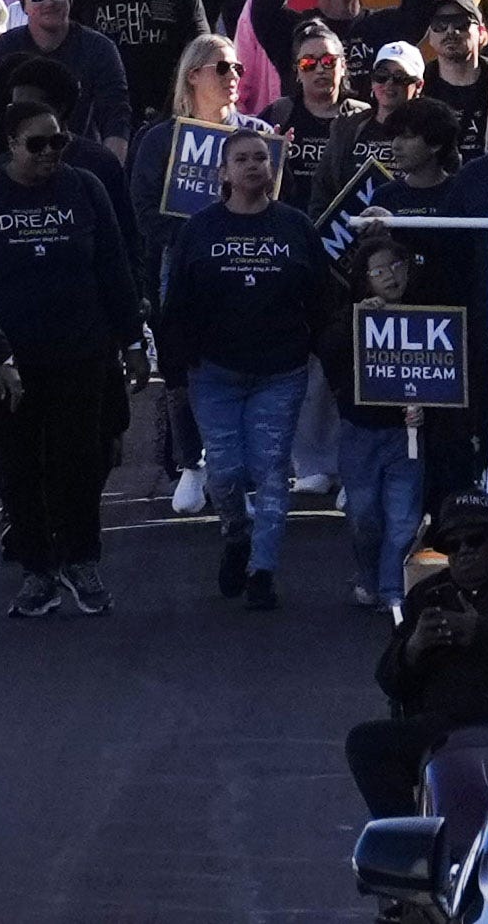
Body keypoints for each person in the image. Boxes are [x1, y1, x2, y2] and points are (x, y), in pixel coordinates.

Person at [0, 92, 143, 617]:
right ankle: (37, 570)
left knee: (80, 462)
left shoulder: (85, 187)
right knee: (18, 466)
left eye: (59, 140)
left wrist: (134, 342)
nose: (51, 151)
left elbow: (114, 269)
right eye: (37, 144)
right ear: (10, 145)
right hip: (8, 361)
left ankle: (82, 561)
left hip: (81, 353)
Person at [156, 126, 333, 614]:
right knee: (227, 471)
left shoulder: (295, 227)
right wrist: (174, 369)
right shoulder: (199, 229)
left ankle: (262, 571)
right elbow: (176, 306)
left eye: (262, 158)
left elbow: (322, 299)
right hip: (214, 372)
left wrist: (325, 353)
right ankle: (236, 533)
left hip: (281, 370)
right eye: (243, 159)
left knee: (272, 472)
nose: (255, 165)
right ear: (224, 173)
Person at [348, 497, 488, 818]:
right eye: (452, 546)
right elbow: (390, 682)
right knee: (366, 743)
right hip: (444, 727)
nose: (464, 551)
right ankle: (409, 847)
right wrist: (413, 649)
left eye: (475, 540)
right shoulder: (429, 593)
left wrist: (486, 634)